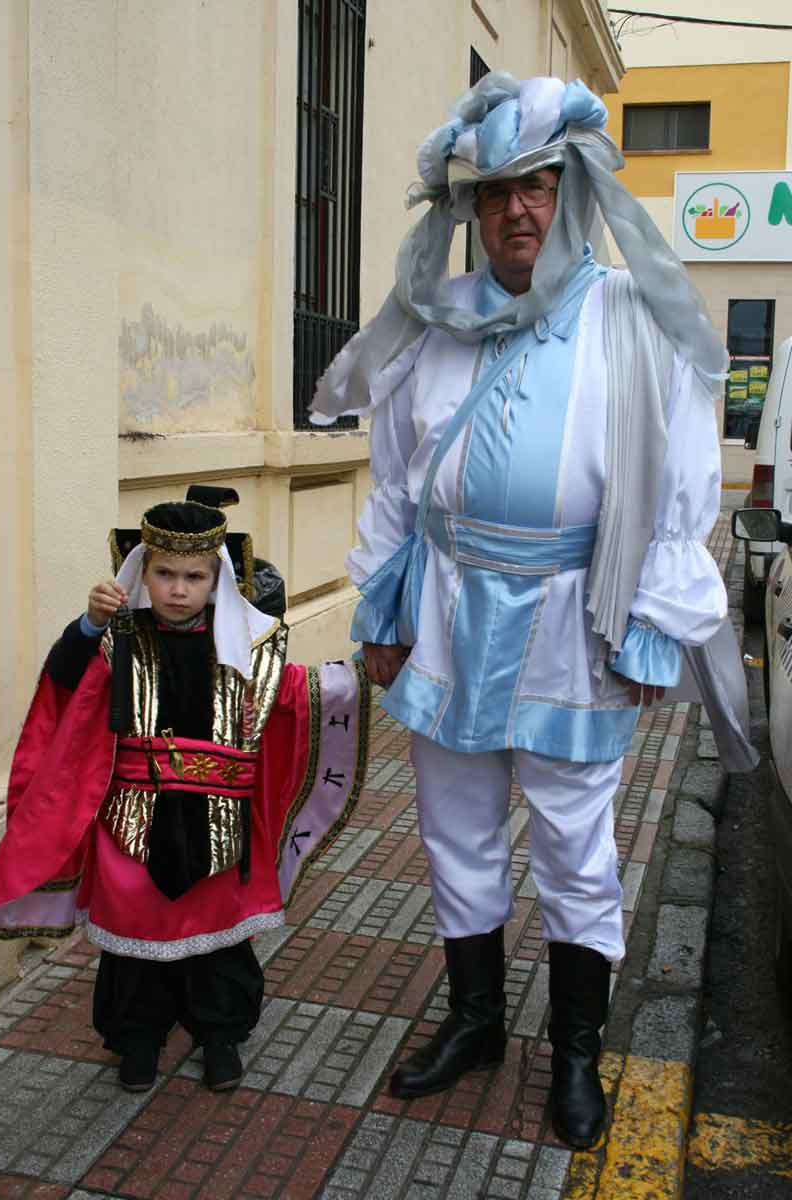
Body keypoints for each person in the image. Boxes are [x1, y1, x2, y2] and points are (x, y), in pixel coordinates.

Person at [310, 73, 756, 1149]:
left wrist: (652, 625)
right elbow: (398, 481)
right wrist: (382, 614)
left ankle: (574, 1054)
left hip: (575, 622)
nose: (518, 209)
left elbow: (682, 489)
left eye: (540, 185)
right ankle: (475, 1023)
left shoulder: (635, 318)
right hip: (449, 612)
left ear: (574, 191)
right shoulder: (438, 321)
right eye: (498, 190)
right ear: (472, 206)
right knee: (453, 830)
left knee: (575, 847)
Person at [0, 500, 369, 1093]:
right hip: (131, 823)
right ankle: (137, 1040)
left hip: (223, 823)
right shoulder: (116, 640)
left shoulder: (249, 646)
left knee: (219, 942)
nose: (177, 589)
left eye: (194, 577)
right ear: (142, 573)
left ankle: (220, 1035)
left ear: (217, 579)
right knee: (134, 940)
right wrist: (88, 625)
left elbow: (295, 695)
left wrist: (363, 673)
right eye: (164, 574)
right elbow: (64, 683)